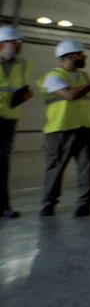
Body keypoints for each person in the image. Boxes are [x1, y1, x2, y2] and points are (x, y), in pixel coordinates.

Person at [37, 39, 90, 218]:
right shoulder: (53, 77)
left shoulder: (84, 77)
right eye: (81, 54)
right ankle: (49, 204)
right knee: (55, 168)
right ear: (70, 56)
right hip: (61, 130)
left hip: (86, 128)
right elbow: (71, 95)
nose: (85, 57)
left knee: (87, 168)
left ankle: (85, 203)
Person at [0, 26, 32, 219]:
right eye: (15, 42)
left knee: (2, 164)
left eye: (20, 42)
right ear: (2, 44)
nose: (19, 45)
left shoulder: (22, 64)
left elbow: (17, 89)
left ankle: (3, 207)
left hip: (8, 118)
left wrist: (25, 95)